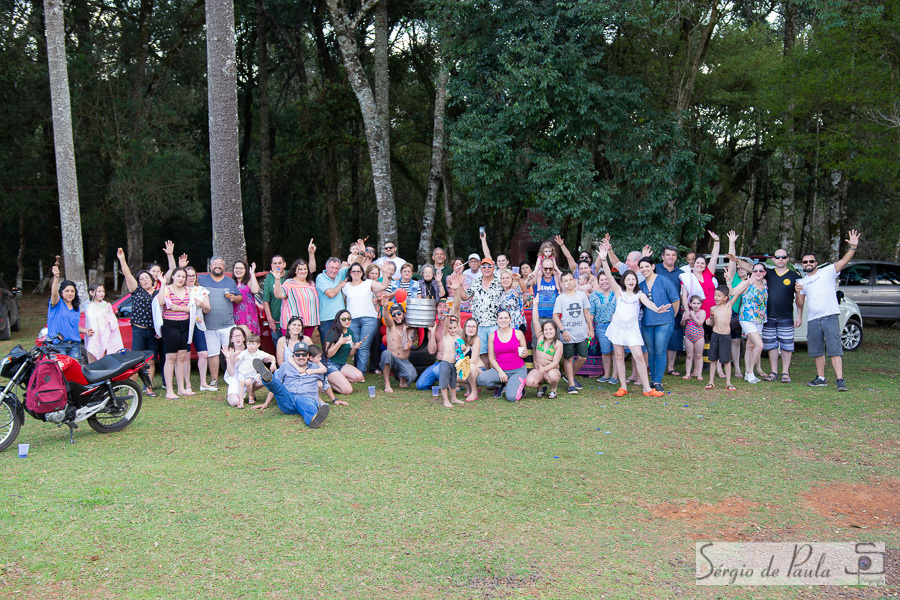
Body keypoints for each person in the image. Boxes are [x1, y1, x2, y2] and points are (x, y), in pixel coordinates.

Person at [597, 241, 668, 398]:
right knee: (619, 356)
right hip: (617, 327)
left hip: (632, 329)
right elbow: (608, 275)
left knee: (639, 357)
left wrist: (657, 308)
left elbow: (649, 304)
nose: (631, 281)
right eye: (628, 279)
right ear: (624, 281)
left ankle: (647, 388)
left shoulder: (639, 295)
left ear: (636, 281)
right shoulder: (619, 292)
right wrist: (603, 259)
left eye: (633, 279)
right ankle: (623, 387)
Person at [797, 229, 860, 391]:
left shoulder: (828, 271)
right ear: (802, 264)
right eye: (805, 262)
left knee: (834, 349)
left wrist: (852, 248)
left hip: (830, 316)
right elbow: (800, 303)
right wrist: (798, 291)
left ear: (816, 263)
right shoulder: (803, 281)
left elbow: (843, 262)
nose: (808, 264)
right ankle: (821, 378)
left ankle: (840, 380)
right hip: (813, 320)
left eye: (811, 261)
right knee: (817, 351)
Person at [732, 241, 804, 383]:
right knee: (770, 345)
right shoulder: (768, 274)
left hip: (786, 316)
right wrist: (737, 260)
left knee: (786, 346)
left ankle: (785, 373)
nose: (780, 259)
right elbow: (751, 268)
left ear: (787, 259)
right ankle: (773, 372)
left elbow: (800, 299)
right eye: (777, 257)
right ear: (773, 259)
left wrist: (800, 315)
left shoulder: (794, 276)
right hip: (768, 317)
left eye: (783, 257)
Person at [250, 344, 331, 428]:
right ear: (293, 355)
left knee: (309, 405)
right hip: (287, 398)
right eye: (297, 354)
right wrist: (266, 403)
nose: (301, 357)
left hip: (307, 397)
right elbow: (276, 387)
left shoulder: (316, 367)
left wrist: (334, 399)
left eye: (303, 354)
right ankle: (267, 378)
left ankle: (313, 420)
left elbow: (325, 385)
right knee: (277, 385)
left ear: (308, 355)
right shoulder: (286, 365)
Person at [116, 248, 159, 396]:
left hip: (153, 332)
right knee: (136, 362)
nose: (144, 280)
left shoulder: (158, 293)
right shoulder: (137, 291)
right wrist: (122, 259)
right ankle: (131, 389)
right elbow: (127, 275)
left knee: (151, 361)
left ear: (152, 279)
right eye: (141, 279)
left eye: (147, 278)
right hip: (139, 331)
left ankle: (149, 388)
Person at [638, 257, 680, 392]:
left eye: (647, 266)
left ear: (653, 266)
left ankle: (657, 380)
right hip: (648, 322)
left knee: (660, 351)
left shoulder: (663, 280)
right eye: (642, 267)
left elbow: (675, 300)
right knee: (650, 352)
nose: (644, 269)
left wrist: (671, 317)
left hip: (664, 322)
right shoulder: (642, 285)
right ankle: (652, 379)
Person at [198, 256, 240, 390]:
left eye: (220, 264)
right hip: (209, 325)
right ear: (210, 266)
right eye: (214, 264)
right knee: (213, 353)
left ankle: (233, 376)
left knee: (231, 352)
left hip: (228, 324)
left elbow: (239, 297)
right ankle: (214, 379)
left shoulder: (229, 281)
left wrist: (234, 297)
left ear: (224, 267)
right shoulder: (202, 279)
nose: (217, 266)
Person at [727, 253, 768, 384]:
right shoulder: (747, 282)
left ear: (765, 272)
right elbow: (733, 292)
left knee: (750, 346)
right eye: (755, 270)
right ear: (752, 272)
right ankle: (750, 372)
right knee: (759, 345)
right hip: (747, 318)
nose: (758, 272)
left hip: (760, 319)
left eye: (761, 270)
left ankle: (747, 373)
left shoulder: (765, 283)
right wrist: (729, 280)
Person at [343, 262, 390, 373]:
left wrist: (385, 273)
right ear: (350, 273)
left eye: (358, 271)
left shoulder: (368, 283)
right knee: (356, 346)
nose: (356, 273)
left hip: (369, 319)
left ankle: (360, 373)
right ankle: (357, 372)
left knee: (363, 346)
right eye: (353, 271)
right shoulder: (345, 286)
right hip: (352, 320)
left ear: (362, 273)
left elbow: (384, 286)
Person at [456, 258, 504, 365]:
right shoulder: (476, 282)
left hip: (495, 324)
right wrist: (459, 285)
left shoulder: (500, 282)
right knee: (482, 354)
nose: (486, 269)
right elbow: (465, 297)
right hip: (479, 324)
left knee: (497, 352)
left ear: (493, 268)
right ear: (480, 268)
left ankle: (498, 377)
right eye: (484, 266)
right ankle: (485, 378)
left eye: (489, 266)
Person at [553, 272, 593, 394]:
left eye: (570, 279)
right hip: (567, 334)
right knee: (569, 358)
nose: (568, 282)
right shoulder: (560, 298)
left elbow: (586, 312)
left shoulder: (582, 296)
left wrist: (591, 328)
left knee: (582, 357)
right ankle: (571, 384)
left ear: (575, 281)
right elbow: (555, 316)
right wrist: (563, 330)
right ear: (561, 283)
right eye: (565, 280)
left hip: (581, 332)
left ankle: (569, 375)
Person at [475, 309, 528, 402]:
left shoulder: (518, 333)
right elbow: (491, 357)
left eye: (506, 318)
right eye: (501, 318)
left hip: (517, 370)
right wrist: (500, 372)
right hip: (500, 370)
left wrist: (524, 354)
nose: (503, 320)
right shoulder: (492, 335)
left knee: (511, 397)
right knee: (481, 379)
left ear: (510, 319)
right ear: (497, 320)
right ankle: (501, 384)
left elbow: (525, 352)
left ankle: (516, 386)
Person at [156, 267, 193, 399]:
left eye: (183, 277)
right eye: (178, 276)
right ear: (173, 276)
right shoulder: (167, 289)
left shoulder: (188, 290)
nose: (181, 279)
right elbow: (160, 302)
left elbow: (193, 308)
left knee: (181, 358)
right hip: (170, 326)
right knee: (170, 358)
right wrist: (162, 284)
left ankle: (181, 388)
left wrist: (181, 308)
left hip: (185, 325)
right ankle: (169, 390)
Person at [274, 240, 319, 338]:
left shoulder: (311, 283)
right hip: (292, 325)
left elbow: (313, 269)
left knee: (304, 349)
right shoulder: (289, 283)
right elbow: (279, 295)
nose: (303, 271)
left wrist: (311, 254)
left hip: (308, 324)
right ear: (295, 271)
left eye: (305, 269)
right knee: (292, 349)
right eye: (300, 269)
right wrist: (277, 279)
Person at [680, 231, 721, 326]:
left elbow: (714, 257)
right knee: (698, 337)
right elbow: (685, 296)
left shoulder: (708, 273)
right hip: (696, 312)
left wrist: (716, 241)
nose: (700, 265)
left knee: (713, 338)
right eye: (698, 263)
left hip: (713, 310)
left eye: (702, 263)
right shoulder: (687, 277)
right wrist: (687, 311)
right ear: (693, 264)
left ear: (705, 265)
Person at [183, 265, 214, 392]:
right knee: (185, 356)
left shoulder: (201, 290)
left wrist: (201, 304)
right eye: (188, 275)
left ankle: (203, 383)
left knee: (203, 354)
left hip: (198, 324)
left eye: (192, 275)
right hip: (184, 325)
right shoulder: (180, 289)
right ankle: (188, 384)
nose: (190, 278)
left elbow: (208, 309)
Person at [378, 300, 419, 393]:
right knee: (386, 353)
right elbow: (386, 317)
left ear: (404, 314)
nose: (396, 316)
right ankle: (387, 383)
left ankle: (402, 377)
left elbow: (406, 347)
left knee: (412, 376)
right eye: (394, 315)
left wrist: (404, 330)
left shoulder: (411, 329)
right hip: (391, 357)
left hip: (403, 360)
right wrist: (384, 307)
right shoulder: (391, 326)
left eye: (399, 313)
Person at [656, 245, 685, 377]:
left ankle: (670, 367)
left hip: (675, 311)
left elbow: (685, 293)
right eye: (668, 255)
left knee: (674, 339)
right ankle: (654, 366)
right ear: (663, 256)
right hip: (657, 310)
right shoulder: (655, 269)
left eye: (673, 255)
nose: (670, 257)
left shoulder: (681, 274)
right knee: (657, 340)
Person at [323, 309, 366, 396]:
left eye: (349, 319)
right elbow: (328, 354)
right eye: (343, 319)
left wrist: (355, 347)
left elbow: (350, 354)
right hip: (330, 364)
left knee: (360, 377)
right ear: (338, 320)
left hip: (342, 364)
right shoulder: (333, 333)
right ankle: (326, 381)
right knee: (347, 390)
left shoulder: (350, 332)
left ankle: (337, 379)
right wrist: (339, 343)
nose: (347, 321)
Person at [705, 283, 739, 391]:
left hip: (725, 336)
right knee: (713, 358)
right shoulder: (713, 308)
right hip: (715, 335)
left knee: (726, 360)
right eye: (715, 295)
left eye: (719, 295)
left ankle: (728, 382)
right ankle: (711, 381)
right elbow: (712, 323)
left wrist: (747, 281)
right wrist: (709, 322)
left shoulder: (729, 306)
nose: (716, 297)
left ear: (725, 298)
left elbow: (737, 293)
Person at [47, 264, 85, 360]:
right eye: (67, 291)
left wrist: (86, 331)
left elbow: (73, 327)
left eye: (72, 291)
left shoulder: (75, 308)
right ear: (61, 292)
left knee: (74, 372)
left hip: (74, 345)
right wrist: (56, 277)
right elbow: (54, 293)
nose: (70, 293)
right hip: (58, 345)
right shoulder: (57, 304)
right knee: (60, 372)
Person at [435, 300, 465, 408]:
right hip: (445, 363)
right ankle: (445, 400)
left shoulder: (458, 337)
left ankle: (454, 398)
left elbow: (462, 349)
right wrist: (448, 316)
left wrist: (464, 348)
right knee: (444, 382)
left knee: (453, 382)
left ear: (458, 327)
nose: (452, 330)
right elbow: (446, 326)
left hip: (454, 363)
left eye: (454, 328)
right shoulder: (445, 335)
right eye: (450, 328)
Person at [84, 283, 124, 363]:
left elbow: (112, 320)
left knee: (104, 359)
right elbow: (91, 319)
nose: (102, 293)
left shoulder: (106, 305)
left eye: (103, 291)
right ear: (91, 292)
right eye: (99, 291)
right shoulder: (87, 305)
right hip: (93, 335)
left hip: (105, 335)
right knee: (93, 360)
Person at [589, 272, 617, 385]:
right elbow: (591, 313)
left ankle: (615, 376)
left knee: (616, 351)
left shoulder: (616, 292)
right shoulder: (594, 295)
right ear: (598, 281)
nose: (604, 282)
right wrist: (590, 328)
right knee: (605, 351)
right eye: (602, 280)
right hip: (601, 326)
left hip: (616, 325)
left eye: (607, 279)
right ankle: (606, 374)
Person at [316, 255, 351, 344]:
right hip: (326, 319)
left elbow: (354, 266)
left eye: (336, 268)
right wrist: (340, 285)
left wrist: (361, 253)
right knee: (327, 347)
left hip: (340, 318)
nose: (334, 270)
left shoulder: (340, 274)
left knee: (340, 346)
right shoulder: (320, 277)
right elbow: (330, 294)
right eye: (332, 267)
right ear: (326, 267)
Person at [525, 320, 563, 399]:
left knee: (553, 376)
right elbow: (535, 321)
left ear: (555, 330)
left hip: (551, 369)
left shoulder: (558, 344)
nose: (548, 331)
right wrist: (535, 306)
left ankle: (553, 389)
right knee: (529, 382)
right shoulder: (540, 338)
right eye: (546, 329)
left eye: (551, 329)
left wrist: (545, 369)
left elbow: (556, 362)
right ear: (543, 331)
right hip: (539, 369)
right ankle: (540, 389)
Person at [236, 333, 276, 405]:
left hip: (252, 374)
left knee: (249, 382)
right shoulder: (244, 353)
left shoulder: (260, 353)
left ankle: (250, 396)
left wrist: (273, 362)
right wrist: (232, 355)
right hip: (242, 373)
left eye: (253, 344)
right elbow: (236, 359)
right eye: (249, 344)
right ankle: (241, 400)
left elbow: (271, 356)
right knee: (242, 382)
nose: (250, 346)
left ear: (258, 345)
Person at [532, 257, 561, 345]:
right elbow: (524, 286)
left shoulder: (557, 280)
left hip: (553, 317)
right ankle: (536, 359)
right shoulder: (537, 278)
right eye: (545, 268)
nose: (548, 271)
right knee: (537, 343)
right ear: (541, 268)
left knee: (555, 343)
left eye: (550, 268)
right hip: (538, 317)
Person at [261, 255, 287, 346]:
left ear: (284, 264)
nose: (277, 265)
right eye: (275, 263)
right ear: (272, 265)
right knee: (279, 347)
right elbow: (265, 300)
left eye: (280, 263)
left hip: (290, 321)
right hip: (276, 321)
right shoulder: (269, 278)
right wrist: (270, 319)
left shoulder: (290, 276)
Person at [231, 260, 261, 335]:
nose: (238, 270)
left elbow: (255, 290)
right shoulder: (231, 283)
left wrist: (252, 273)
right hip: (232, 318)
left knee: (245, 342)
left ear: (246, 270)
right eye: (236, 268)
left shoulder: (249, 281)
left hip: (246, 318)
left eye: (241, 268)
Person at [681, 296, 706, 380]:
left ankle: (699, 374)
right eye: (694, 303)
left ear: (701, 304)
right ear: (690, 304)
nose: (696, 305)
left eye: (698, 303)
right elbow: (682, 324)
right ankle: (688, 373)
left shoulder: (702, 312)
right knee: (689, 355)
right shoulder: (686, 312)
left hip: (699, 336)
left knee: (699, 355)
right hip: (688, 336)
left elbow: (699, 323)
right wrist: (684, 319)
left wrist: (693, 316)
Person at [460, 316, 484, 401]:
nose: (471, 329)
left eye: (473, 327)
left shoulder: (476, 340)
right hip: (465, 369)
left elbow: (473, 360)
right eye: (469, 326)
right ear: (465, 327)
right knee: (449, 375)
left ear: (476, 329)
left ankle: (474, 392)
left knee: (471, 366)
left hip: (478, 370)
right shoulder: (461, 341)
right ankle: (467, 386)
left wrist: (459, 362)